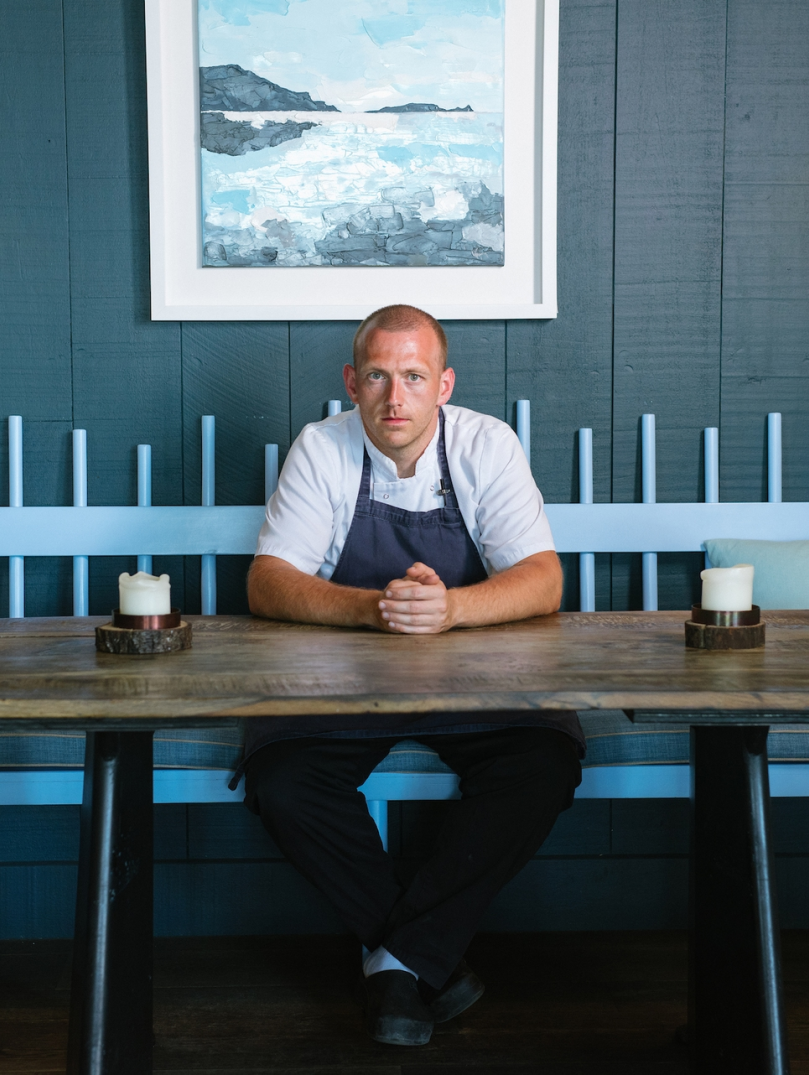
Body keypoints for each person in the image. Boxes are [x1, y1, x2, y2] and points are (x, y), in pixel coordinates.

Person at [244, 305, 584, 1046]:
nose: (393, 399)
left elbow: (542, 578)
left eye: (413, 377)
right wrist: (375, 608)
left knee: (543, 760)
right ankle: (427, 962)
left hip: (476, 680)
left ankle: (396, 966)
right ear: (350, 382)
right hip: (341, 682)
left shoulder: (484, 445)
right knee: (282, 777)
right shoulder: (321, 448)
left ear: (443, 384)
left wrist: (450, 607)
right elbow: (268, 581)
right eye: (376, 376)